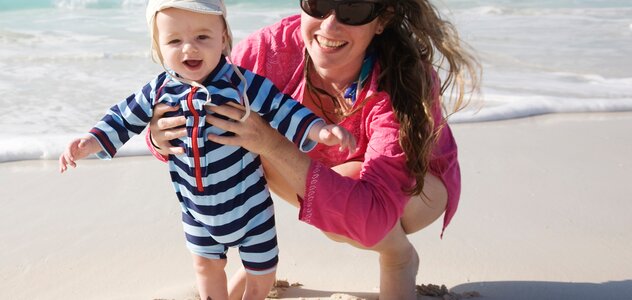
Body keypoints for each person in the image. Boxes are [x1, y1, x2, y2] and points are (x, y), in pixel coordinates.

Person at [148, 0, 480, 299]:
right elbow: (195, 103)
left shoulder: (402, 79)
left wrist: (272, 143)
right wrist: (160, 137)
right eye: (318, 4)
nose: (329, 26)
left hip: (417, 191)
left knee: (337, 175)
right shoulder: (271, 49)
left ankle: (398, 256)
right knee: (238, 129)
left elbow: (374, 215)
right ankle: (258, 260)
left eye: (353, 8)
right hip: (319, 171)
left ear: (382, 17)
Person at [58, 0, 356, 299]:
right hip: (197, 213)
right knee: (206, 267)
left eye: (202, 37)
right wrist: (90, 141)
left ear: (224, 39)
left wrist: (319, 129)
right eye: (174, 41)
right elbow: (122, 118)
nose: (189, 49)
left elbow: (283, 108)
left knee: (263, 268)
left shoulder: (240, 83)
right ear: (158, 49)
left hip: (251, 208)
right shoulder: (157, 92)